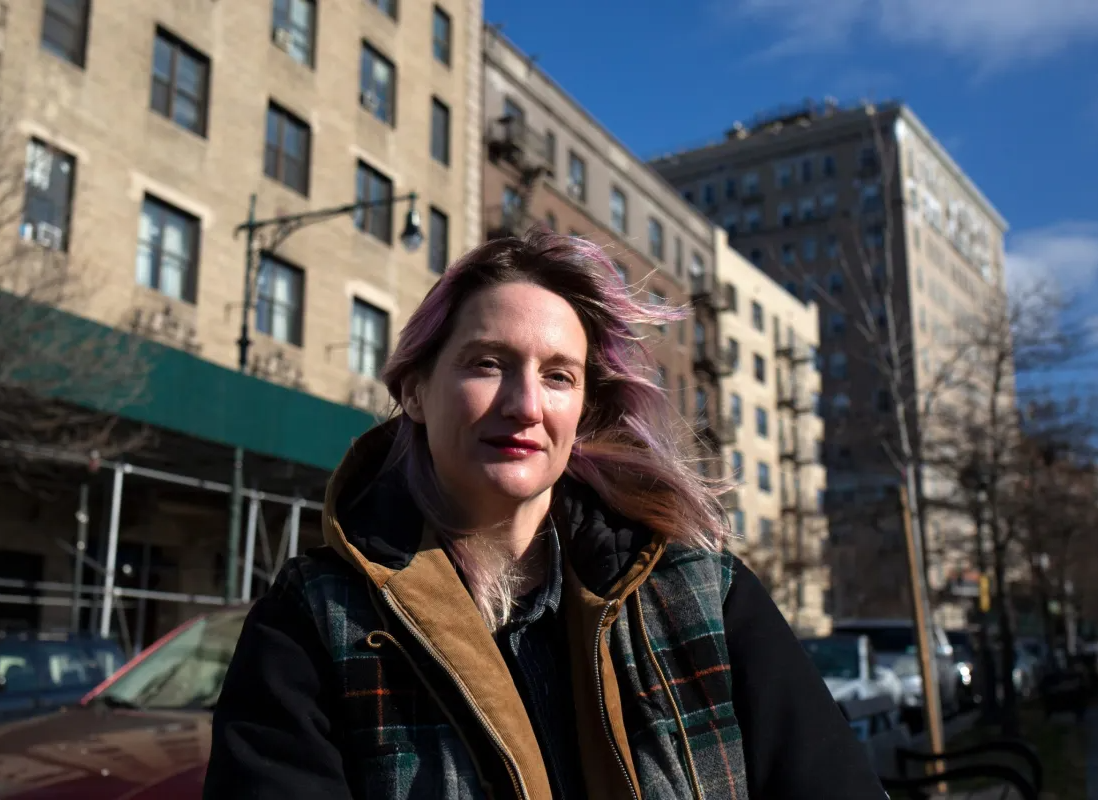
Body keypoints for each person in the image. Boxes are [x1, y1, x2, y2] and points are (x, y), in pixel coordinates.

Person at [205, 230, 887, 799]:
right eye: (487, 363)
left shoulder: (704, 597)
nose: (525, 404)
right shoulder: (313, 620)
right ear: (414, 391)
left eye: (558, 376)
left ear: (583, 410)